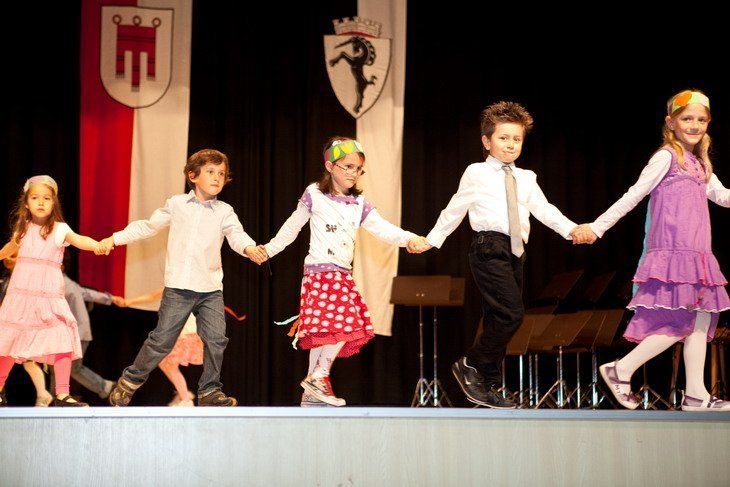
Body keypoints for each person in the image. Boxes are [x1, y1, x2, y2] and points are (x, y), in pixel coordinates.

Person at [414, 101, 584, 408]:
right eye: (503, 137)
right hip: (488, 247)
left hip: (516, 251)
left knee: (497, 318)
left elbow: (544, 209)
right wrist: (432, 238)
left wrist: (571, 229)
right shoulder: (476, 172)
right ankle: (471, 363)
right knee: (512, 314)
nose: (511, 144)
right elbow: (455, 208)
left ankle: (487, 383)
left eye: (517, 139)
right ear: (486, 141)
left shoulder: (527, 177)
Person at [578, 90, 730, 411]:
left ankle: (696, 394)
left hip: (698, 255)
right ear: (670, 122)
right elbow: (635, 194)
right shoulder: (667, 157)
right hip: (673, 252)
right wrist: (598, 226)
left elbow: (723, 196)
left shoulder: (700, 164)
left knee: (701, 320)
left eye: (701, 120)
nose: (694, 125)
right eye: (687, 118)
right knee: (681, 323)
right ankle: (621, 369)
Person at [261, 137, 424, 407]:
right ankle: (319, 376)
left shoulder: (359, 203)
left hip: (341, 274)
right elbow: (292, 227)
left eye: (358, 168)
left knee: (325, 332)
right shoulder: (314, 194)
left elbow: (383, 229)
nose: (353, 173)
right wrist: (268, 250)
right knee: (347, 323)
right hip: (321, 272)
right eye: (347, 166)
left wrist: (409, 239)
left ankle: (311, 394)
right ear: (330, 166)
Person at [102, 149, 267, 407]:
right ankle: (130, 381)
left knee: (216, 339)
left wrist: (249, 248)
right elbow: (148, 226)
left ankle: (210, 391)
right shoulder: (177, 204)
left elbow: (237, 235)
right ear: (193, 175)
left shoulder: (224, 211)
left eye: (221, 173)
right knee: (161, 341)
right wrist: (114, 239)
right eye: (210, 172)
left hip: (210, 290)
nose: (217, 177)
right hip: (179, 288)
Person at [0, 175, 108, 407]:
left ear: (53, 203)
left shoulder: (60, 229)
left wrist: (97, 245)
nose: (41, 202)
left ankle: (61, 394)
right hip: (21, 297)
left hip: (49, 298)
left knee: (62, 340)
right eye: (35, 198)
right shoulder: (23, 229)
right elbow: (9, 248)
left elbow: (79, 240)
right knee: (9, 343)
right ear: (26, 203)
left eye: (46, 198)